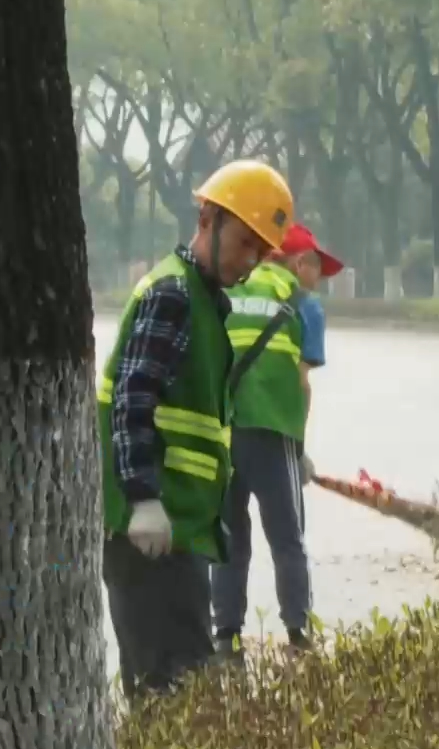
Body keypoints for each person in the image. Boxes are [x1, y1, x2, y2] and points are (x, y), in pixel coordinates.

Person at [97, 159, 294, 697]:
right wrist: (141, 498)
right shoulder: (173, 295)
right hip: (150, 532)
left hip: (176, 531)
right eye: (245, 244)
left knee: (179, 687)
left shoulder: (203, 300)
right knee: (172, 690)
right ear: (208, 218)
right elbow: (133, 398)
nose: (250, 262)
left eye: (260, 250)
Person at [211, 223, 346, 658]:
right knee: (287, 537)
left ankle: (226, 634)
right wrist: (300, 449)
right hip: (273, 434)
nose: (318, 280)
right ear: (299, 264)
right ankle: (297, 633)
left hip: (223, 433)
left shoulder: (228, 292)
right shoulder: (302, 303)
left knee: (229, 537)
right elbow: (302, 383)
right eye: (317, 270)